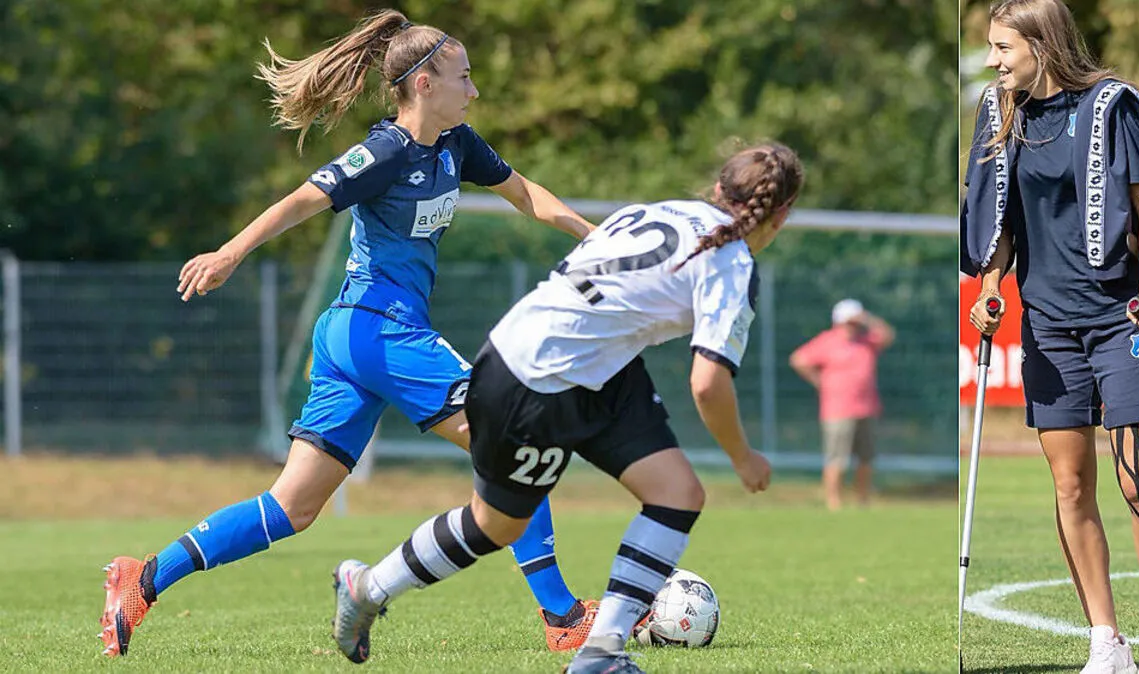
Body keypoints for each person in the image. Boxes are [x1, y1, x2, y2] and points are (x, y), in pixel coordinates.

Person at [99, 10, 602, 658]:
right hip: (376, 330)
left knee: (291, 508)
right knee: (516, 440)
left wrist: (598, 237)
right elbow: (302, 200)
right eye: (464, 77)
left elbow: (526, 193)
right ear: (424, 84)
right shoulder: (384, 152)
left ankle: (143, 578)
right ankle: (563, 617)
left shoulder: (458, 145)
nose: (474, 90)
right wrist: (229, 252)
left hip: (355, 339)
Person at [323, 142, 802, 672]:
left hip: (558, 359)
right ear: (781, 215)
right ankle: (368, 587)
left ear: (717, 188)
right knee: (496, 525)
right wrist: (743, 458)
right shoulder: (732, 262)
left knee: (677, 494)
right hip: (537, 379)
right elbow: (708, 384)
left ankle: (601, 652)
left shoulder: (662, 210)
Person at [961, 1, 1139, 672]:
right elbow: (1002, 221)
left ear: (1042, 43)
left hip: (1122, 318)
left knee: (1137, 477)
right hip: (1048, 325)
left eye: (1003, 47)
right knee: (1071, 487)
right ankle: (1105, 640)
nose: (993, 61)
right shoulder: (1001, 114)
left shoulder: (1111, 106)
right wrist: (990, 287)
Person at [790, 299, 894, 511]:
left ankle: (862, 500)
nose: (853, 326)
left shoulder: (867, 341)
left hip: (867, 408)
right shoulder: (827, 341)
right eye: (850, 321)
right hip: (837, 410)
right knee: (836, 458)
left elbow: (888, 335)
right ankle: (833, 502)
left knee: (866, 458)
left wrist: (867, 318)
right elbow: (799, 359)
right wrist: (818, 380)